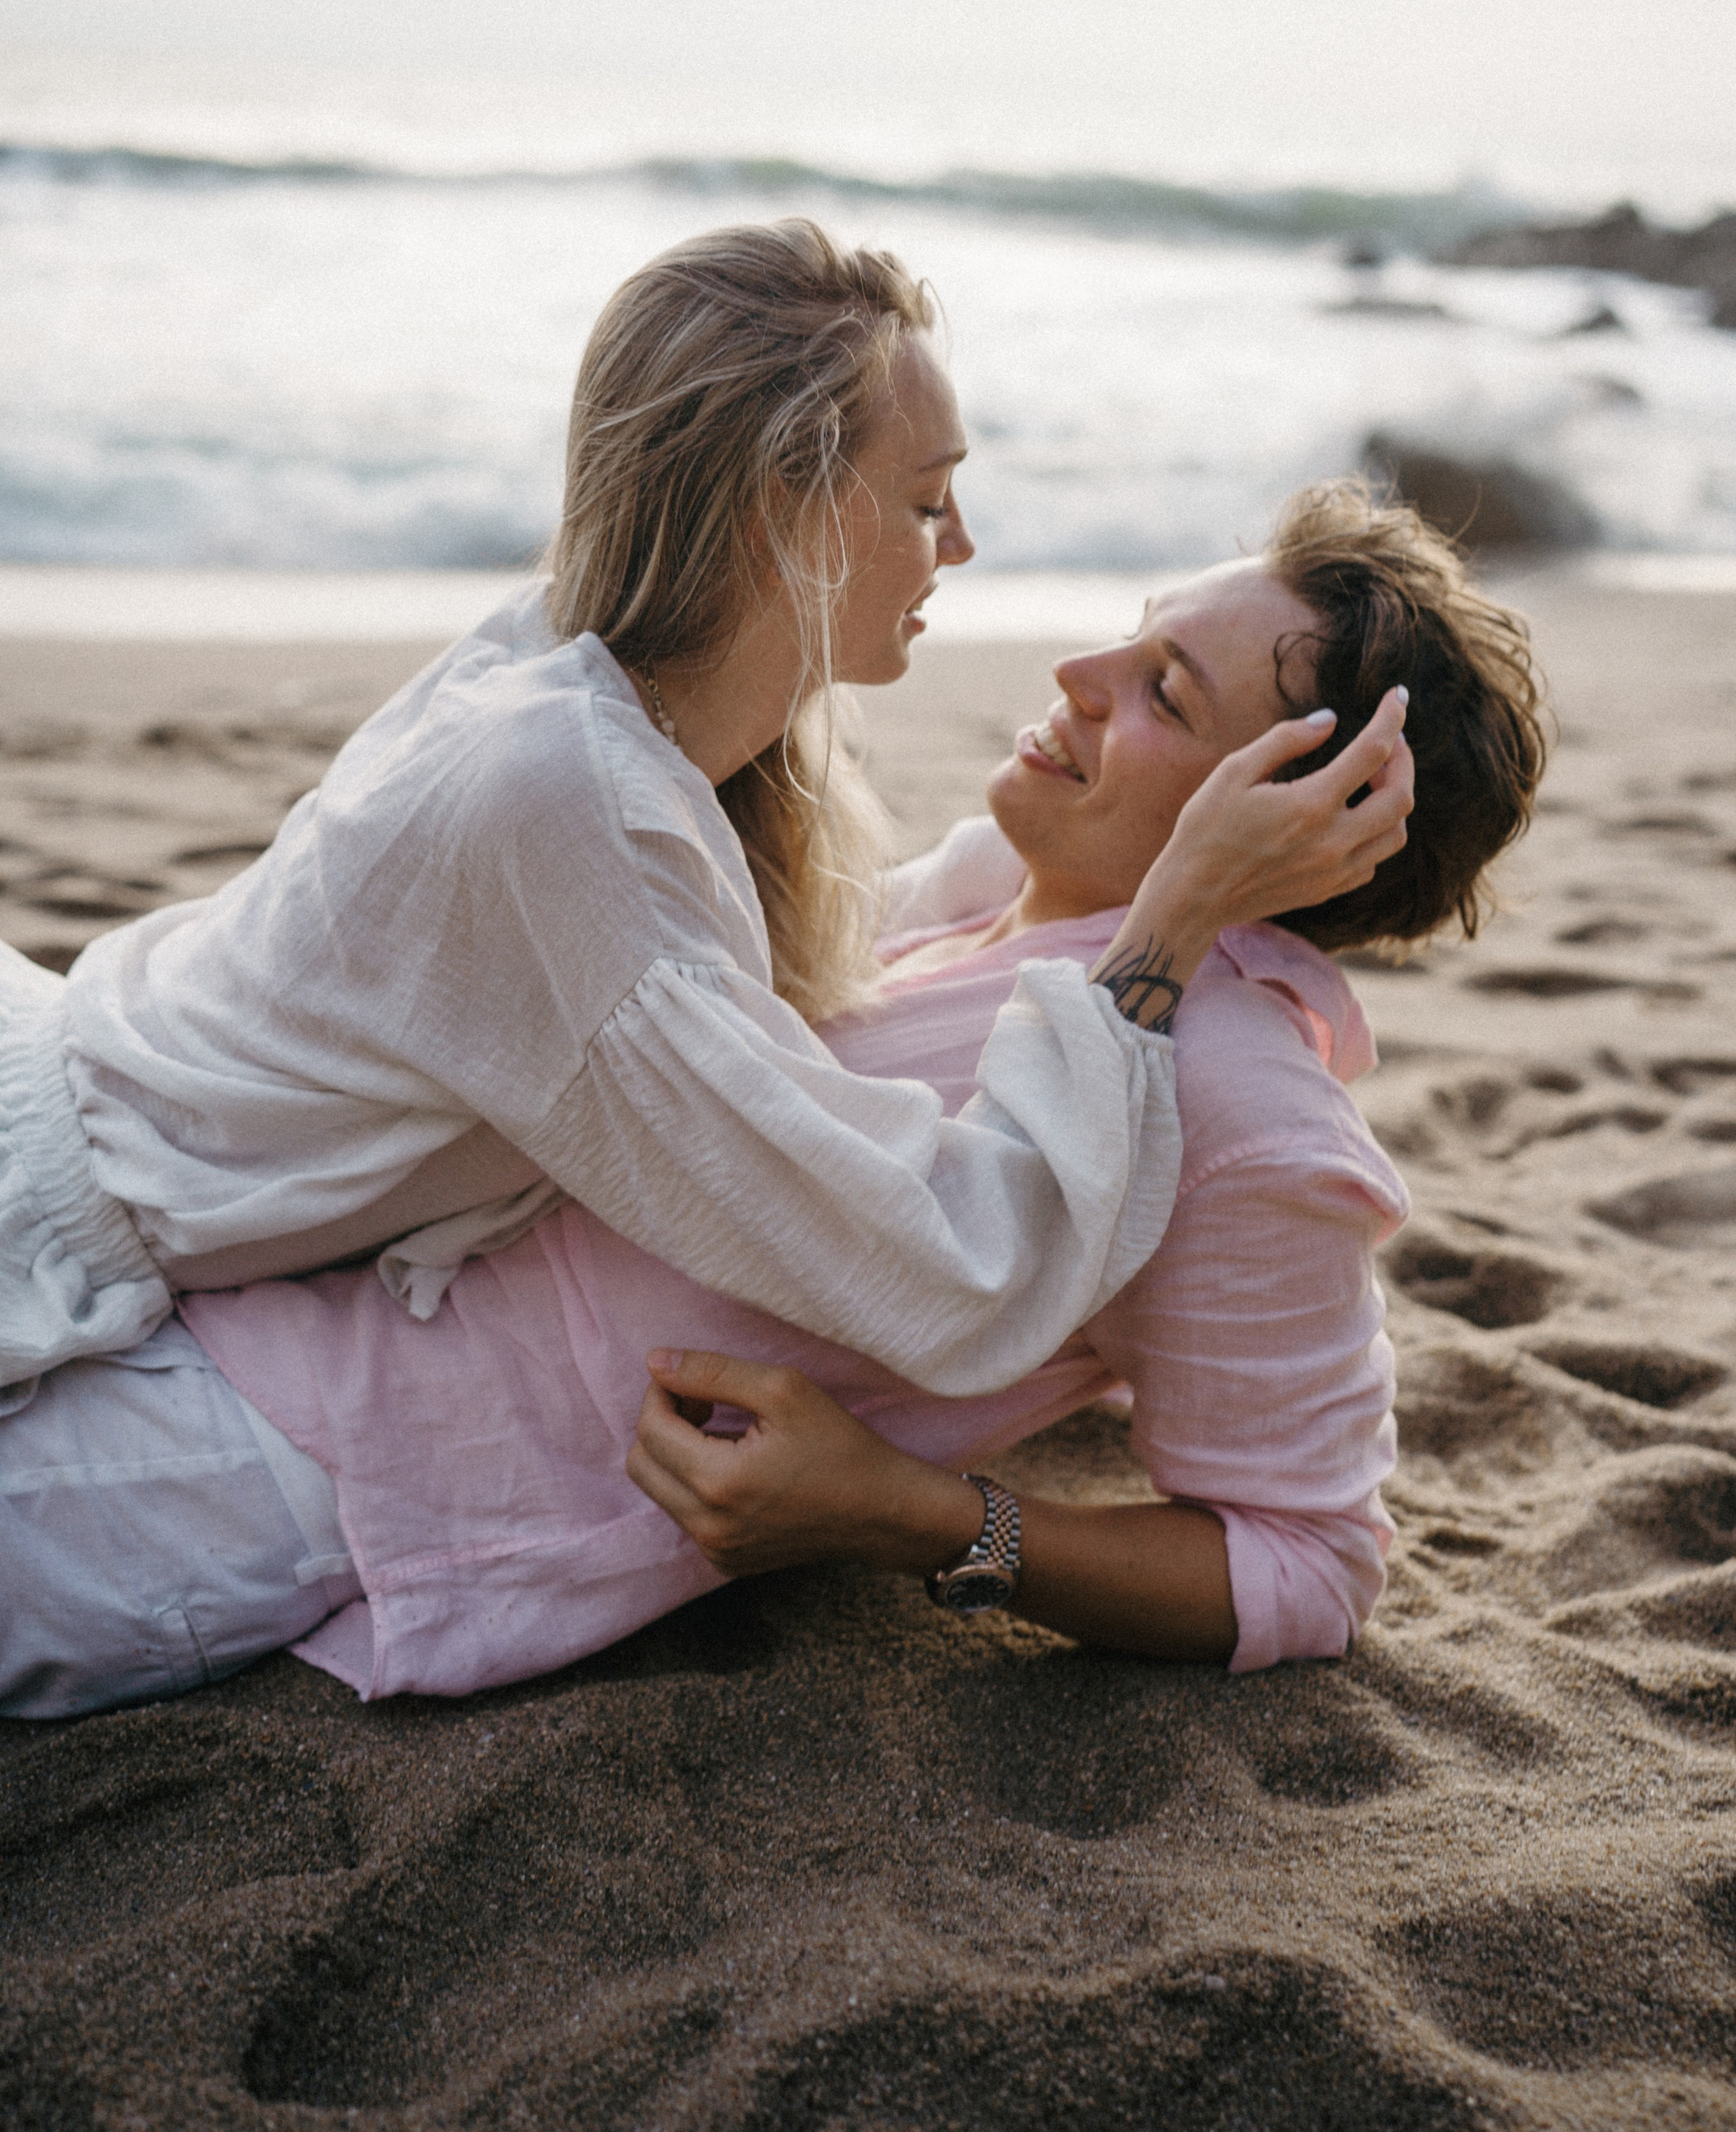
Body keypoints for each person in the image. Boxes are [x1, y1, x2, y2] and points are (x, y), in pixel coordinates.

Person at [1, 483, 1537, 1717]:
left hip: (326, 1456)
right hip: (242, 1236)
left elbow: (1307, 1565)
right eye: (1130, 637)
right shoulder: (994, 889)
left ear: (1298, 815)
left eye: (1164, 694)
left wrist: (913, 1513)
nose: (1076, 677)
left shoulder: (1243, 1111)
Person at [0, 222, 1408, 1420]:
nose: (961, 546)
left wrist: (1134, 852)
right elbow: (950, 1271)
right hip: (43, 1215)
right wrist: (1173, 916)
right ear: (780, 512)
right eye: (925, 501)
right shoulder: (568, 799)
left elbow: (842, 947)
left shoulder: (609, 679)